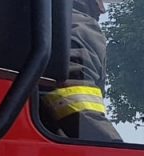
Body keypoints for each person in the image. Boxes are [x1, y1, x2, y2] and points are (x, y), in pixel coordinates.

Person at [39, 0, 122, 142]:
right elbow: (71, 96)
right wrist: (117, 151)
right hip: (53, 150)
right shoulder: (76, 25)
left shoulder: (49, 16)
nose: (103, 9)